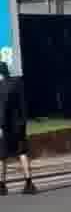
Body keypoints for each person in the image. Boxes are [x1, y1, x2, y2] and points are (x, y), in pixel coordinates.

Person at [0, 62, 37, 195]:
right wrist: (23, 122)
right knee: (22, 153)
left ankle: (2, 186)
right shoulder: (18, 83)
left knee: (2, 156)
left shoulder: (1, 87)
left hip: (7, 126)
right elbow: (23, 104)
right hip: (19, 125)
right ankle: (29, 183)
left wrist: (1, 126)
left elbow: (2, 109)